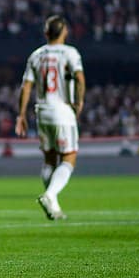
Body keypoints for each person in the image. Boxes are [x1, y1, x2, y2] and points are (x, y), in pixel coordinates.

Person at [16, 15, 85, 220]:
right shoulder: (70, 52)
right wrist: (79, 102)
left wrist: (21, 114)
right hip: (62, 111)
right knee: (68, 159)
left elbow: (26, 86)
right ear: (65, 32)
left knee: (49, 159)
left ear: (46, 33)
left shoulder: (36, 55)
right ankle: (50, 194)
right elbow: (80, 78)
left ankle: (53, 206)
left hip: (42, 111)